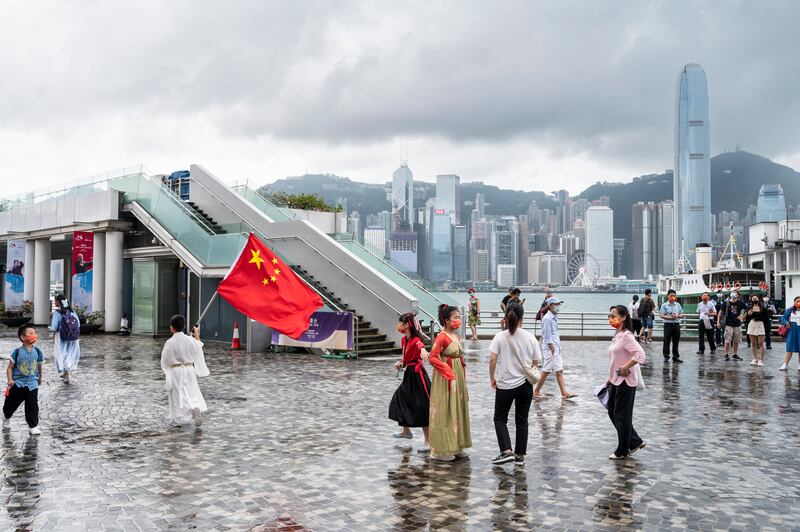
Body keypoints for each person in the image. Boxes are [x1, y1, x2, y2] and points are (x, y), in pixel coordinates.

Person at [489, 303, 542, 466]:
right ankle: (519, 455)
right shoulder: (530, 337)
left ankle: (506, 451)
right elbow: (536, 362)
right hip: (525, 385)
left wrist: (492, 378)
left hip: (504, 385)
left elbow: (492, 359)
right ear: (522, 318)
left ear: (506, 317)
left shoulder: (500, 336)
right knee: (522, 420)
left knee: (500, 418)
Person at [427, 304, 472, 461]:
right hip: (446, 376)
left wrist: (463, 381)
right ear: (446, 320)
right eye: (455, 317)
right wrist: (447, 372)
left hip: (457, 375)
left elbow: (460, 358)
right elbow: (432, 357)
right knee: (445, 409)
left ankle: (458, 444)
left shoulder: (456, 337)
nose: (458, 320)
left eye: (459, 317)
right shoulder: (442, 337)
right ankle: (441, 449)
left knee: (458, 408)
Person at [605, 305, 646, 460]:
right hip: (615, 380)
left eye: (614, 316)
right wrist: (609, 378)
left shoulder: (627, 336)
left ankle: (623, 450)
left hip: (626, 381)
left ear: (623, 318)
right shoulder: (618, 335)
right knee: (612, 411)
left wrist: (626, 367)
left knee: (622, 415)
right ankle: (634, 441)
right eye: (609, 316)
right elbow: (617, 359)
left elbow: (641, 355)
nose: (611, 318)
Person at [389, 313, 432, 452]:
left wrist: (424, 350)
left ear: (407, 324)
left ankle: (428, 442)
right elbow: (406, 359)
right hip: (409, 374)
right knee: (399, 400)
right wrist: (401, 364)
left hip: (418, 376)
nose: (399, 325)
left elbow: (421, 346)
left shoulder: (416, 339)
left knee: (422, 406)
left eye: (401, 322)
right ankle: (406, 431)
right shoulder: (404, 340)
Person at [160, 315, 210, 427]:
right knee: (191, 391)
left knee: (178, 395)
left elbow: (165, 360)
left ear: (171, 328)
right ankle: (194, 407)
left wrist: (168, 369)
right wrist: (196, 334)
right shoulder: (190, 340)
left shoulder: (170, 342)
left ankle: (178, 419)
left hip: (176, 371)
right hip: (189, 370)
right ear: (184, 326)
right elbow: (198, 348)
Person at [3, 325, 44, 436]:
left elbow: (39, 365)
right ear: (22, 337)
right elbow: (10, 367)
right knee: (11, 403)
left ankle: (33, 426)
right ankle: (7, 416)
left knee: (32, 404)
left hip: (32, 383)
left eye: (34, 333)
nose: (34, 335)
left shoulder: (38, 351)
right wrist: (10, 380)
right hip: (18, 384)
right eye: (30, 333)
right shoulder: (17, 352)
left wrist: (40, 377)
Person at [533, 297, 577, 400]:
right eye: (557, 304)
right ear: (551, 306)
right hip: (551, 349)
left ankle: (564, 393)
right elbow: (546, 334)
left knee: (559, 370)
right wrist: (551, 347)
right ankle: (536, 391)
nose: (558, 306)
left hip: (555, 348)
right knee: (546, 371)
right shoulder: (547, 318)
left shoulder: (553, 316)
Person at [49, 294, 81, 384]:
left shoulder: (57, 313)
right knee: (70, 353)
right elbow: (78, 324)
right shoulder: (72, 311)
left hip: (61, 336)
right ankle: (66, 372)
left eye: (55, 300)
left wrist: (53, 336)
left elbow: (54, 327)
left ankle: (66, 374)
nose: (55, 302)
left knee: (61, 354)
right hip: (72, 336)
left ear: (58, 302)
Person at [718, 292, 746, 361]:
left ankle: (734, 354)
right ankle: (726, 354)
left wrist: (742, 317)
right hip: (728, 324)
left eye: (735, 293)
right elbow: (720, 312)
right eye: (733, 293)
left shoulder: (740, 303)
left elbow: (747, 309)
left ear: (738, 295)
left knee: (736, 340)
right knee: (727, 340)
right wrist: (718, 322)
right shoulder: (726, 303)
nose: (734, 294)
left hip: (737, 324)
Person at [659, 289, 684, 363]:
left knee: (676, 341)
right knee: (666, 341)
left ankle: (675, 357)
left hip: (676, 325)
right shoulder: (664, 305)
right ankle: (666, 356)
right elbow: (662, 316)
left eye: (674, 296)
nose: (673, 297)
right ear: (668, 296)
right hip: (668, 325)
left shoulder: (678, 305)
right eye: (671, 296)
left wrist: (678, 316)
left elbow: (681, 314)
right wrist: (670, 318)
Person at [745, 295, 768, 367]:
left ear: (759, 299)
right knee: (753, 343)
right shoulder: (749, 308)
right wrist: (749, 315)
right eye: (753, 298)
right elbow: (746, 319)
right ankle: (754, 359)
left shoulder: (763, 308)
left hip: (760, 325)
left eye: (756, 298)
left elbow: (766, 318)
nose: (755, 299)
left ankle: (761, 360)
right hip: (752, 325)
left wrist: (757, 317)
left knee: (761, 343)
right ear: (751, 300)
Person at [779, 296, 800, 371]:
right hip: (792, 331)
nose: (798, 303)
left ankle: (799, 364)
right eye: (797, 301)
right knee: (789, 348)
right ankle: (785, 364)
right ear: (794, 302)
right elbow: (782, 318)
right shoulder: (790, 310)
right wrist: (786, 322)